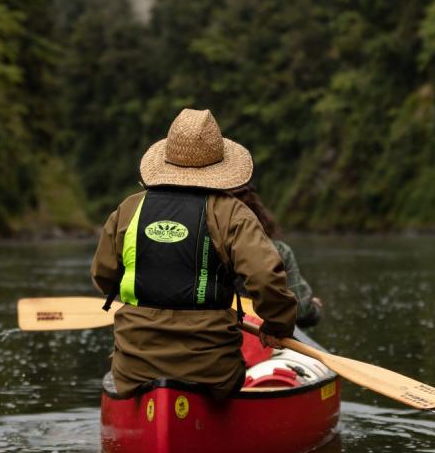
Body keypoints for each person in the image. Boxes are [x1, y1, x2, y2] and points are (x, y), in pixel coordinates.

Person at [90, 108, 297, 399]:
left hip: (134, 370)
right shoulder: (233, 213)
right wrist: (278, 324)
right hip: (213, 373)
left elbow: (103, 277)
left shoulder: (128, 209)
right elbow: (265, 278)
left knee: (127, 369)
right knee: (234, 372)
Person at [228, 186, 323, 328]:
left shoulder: (198, 245)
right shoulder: (278, 251)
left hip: (209, 331)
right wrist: (314, 309)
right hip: (257, 337)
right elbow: (301, 312)